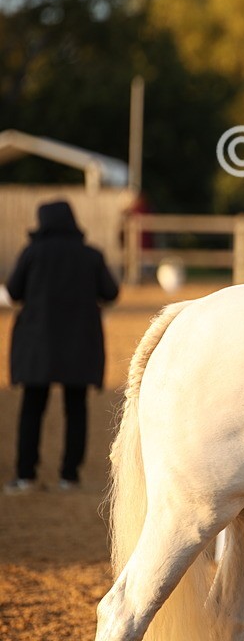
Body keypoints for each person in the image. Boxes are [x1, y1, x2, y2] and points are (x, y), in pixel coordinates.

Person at [4, 201, 120, 495]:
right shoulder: (90, 255)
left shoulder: (32, 253)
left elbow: (14, 292)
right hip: (78, 343)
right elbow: (111, 292)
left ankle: (25, 476)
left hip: (37, 344)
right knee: (76, 409)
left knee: (32, 408)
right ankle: (69, 476)